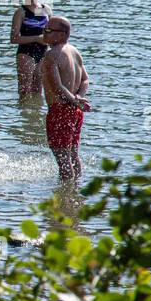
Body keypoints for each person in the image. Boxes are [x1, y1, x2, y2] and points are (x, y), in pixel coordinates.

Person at [38, 16, 91, 181]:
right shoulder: (75, 51)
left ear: (61, 35)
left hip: (60, 110)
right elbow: (85, 80)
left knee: (62, 159)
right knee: (73, 154)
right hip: (75, 111)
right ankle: (75, 191)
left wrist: (75, 100)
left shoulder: (51, 56)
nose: (44, 33)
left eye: (48, 30)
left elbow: (58, 88)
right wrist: (79, 98)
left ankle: (64, 199)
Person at [9, 0, 51, 97]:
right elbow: (14, 38)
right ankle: (23, 114)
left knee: (37, 91)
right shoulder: (21, 12)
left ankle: (36, 114)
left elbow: (53, 32)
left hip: (43, 52)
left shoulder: (45, 9)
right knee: (25, 91)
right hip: (26, 53)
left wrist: (49, 40)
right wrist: (36, 38)